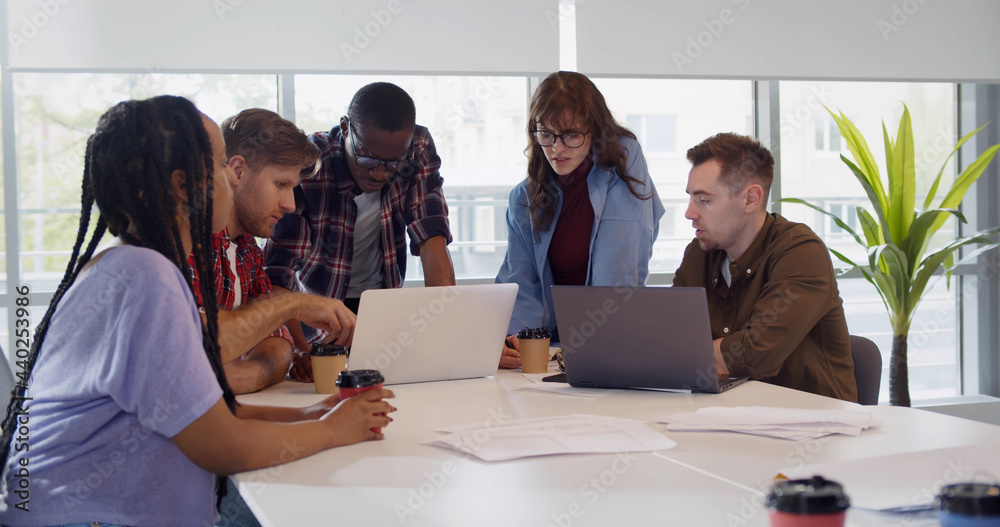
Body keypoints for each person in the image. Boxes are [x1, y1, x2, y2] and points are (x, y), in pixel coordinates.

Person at [0, 96, 395, 527]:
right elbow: (220, 444)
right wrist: (332, 431)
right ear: (184, 187)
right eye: (223, 164)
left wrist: (314, 413)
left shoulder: (129, 264)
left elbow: (203, 409)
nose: (232, 176)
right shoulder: (144, 276)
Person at [264, 82, 455, 381]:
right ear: (345, 128)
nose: (380, 173)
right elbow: (281, 273)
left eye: (393, 163)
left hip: (383, 303)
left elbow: (431, 235)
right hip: (319, 306)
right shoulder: (310, 165)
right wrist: (300, 354)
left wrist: (449, 336)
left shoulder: (416, 146)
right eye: (368, 157)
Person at [495, 71, 665, 368]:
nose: (556, 149)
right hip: (551, 348)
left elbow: (618, 267)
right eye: (545, 134)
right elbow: (520, 276)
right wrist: (519, 337)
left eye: (571, 134)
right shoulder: (523, 197)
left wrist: (596, 344)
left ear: (595, 131)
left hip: (608, 338)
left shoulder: (624, 165)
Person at [673, 132, 858, 402]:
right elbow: (666, 338)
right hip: (728, 419)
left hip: (813, 428)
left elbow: (754, 355)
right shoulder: (700, 252)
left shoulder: (801, 252)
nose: (690, 213)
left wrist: (680, 353)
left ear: (750, 199)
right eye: (691, 198)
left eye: (704, 200)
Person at [189, 108, 352, 395]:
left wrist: (249, 374)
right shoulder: (190, 241)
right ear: (237, 171)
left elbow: (277, 338)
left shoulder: (247, 249)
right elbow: (195, 349)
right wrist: (293, 304)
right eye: (281, 184)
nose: (290, 204)